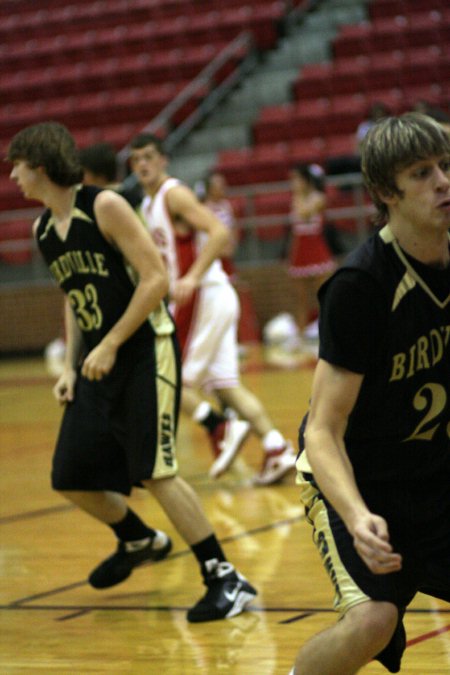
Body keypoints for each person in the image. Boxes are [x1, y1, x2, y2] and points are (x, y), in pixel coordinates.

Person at [7, 121, 257, 623]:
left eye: (16, 165)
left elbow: (156, 279)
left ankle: (225, 578)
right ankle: (138, 538)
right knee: (70, 476)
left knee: (155, 470)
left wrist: (113, 342)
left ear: (38, 166)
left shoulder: (103, 206)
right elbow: (75, 299)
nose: (11, 176)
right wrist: (72, 366)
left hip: (144, 351)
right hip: (96, 362)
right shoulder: (43, 230)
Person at [291, 112, 450, 674]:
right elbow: (324, 430)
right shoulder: (362, 288)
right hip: (359, 481)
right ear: (387, 192)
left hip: (432, 470)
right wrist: (357, 516)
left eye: (446, 166)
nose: (443, 182)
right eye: (423, 173)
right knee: (373, 621)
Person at [129, 132, 296, 485]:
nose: (142, 164)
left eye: (148, 157)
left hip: (204, 293)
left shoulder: (174, 194)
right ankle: (277, 447)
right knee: (225, 385)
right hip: (211, 296)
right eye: (135, 159)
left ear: (163, 160)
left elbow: (220, 233)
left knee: (167, 377)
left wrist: (190, 277)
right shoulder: (146, 206)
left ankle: (220, 425)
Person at [287, 163, 335, 336]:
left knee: (324, 295)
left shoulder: (318, 197)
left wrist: (298, 194)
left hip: (316, 247)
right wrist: (290, 255)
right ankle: (300, 335)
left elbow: (304, 213)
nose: (293, 183)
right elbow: (294, 229)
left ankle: (329, 333)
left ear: (307, 181)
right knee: (299, 298)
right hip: (300, 248)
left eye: (297, 180)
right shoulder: (295, 197)